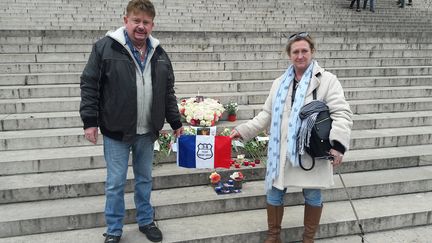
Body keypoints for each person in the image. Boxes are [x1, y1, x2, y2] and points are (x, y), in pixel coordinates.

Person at [230, 32, 353, 243]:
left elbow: (341, 113)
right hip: (283, 149)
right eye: (295, 51)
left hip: (311, 150)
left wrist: (338, 145)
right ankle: (273, 237)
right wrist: (244, 130)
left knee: (313, 195)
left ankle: (308, 239)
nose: (300, 55)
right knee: (274, 193)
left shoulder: (327, 81)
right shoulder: (280, 83)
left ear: (312, 52)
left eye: (304, 51)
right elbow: (266, 114)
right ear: (289, 55)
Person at [79, 0, 183, 242]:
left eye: (146, 22)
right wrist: (90, 121)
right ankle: (114, 229)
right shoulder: (105, 48)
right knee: (115, 183)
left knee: (145, 179)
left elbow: (167, 91)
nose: (141, 26)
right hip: (116, 130)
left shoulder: (159, 52)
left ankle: (146, 221)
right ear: (125, 20)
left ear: (152, 25)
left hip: (147, 131)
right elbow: (89, 84)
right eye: (136, 21)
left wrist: (176, 122)